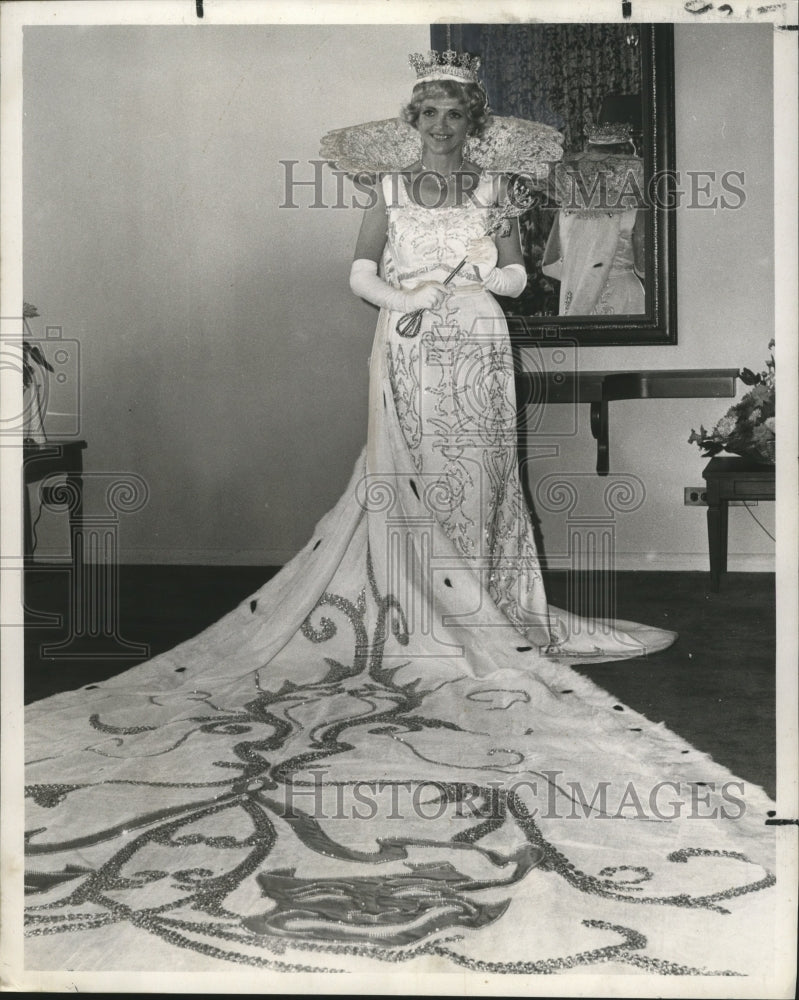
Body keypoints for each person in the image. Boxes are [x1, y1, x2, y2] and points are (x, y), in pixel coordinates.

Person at [23, 52, 776, 976]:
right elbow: (358, 273)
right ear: (409, 117)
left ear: (474, 119)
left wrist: (479, 275)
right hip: (408, 341)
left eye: (455, 112)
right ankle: (417, 608)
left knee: (482, 479)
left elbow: (515, 278)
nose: (440, 125)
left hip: (477, 344)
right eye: (427, 111)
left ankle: (490, 606)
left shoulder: (497, 187)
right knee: (407, 476)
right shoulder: (385, 184)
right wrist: (407, 292)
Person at [542, 118, 646, 316]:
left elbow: (550, 266)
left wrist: (581, 268)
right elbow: (644, 268)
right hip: (622, 294)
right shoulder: (635, 205)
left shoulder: (567, 206)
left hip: (575, 290)